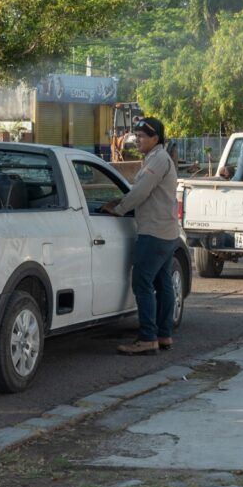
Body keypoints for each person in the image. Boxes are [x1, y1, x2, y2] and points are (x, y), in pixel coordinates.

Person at [102, 117, 179, 355]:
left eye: (142, 136)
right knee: (163, 283)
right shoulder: (157, 158)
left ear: (155, 138)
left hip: (154, 232)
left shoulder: (157, 159)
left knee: (142, 282)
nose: (137, 140)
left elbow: (140, 192)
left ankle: (147, 338)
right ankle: (163, 335)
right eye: (136, 135)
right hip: (166, 231)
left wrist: (118, 208)